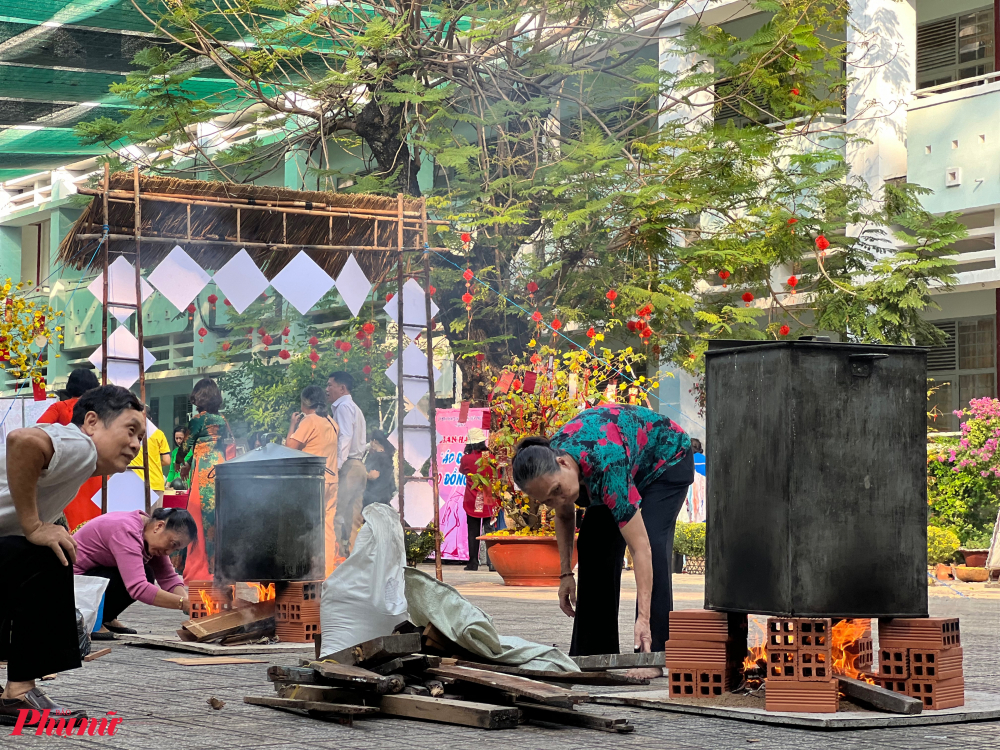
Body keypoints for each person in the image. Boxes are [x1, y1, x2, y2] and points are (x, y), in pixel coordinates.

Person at [513, 404, 693, 677]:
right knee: (593, 546)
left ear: (563, 463)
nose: (557, 502)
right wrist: (565, 574)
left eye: (557, 492)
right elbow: (564, 517)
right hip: (620, 463)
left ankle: (652, 653)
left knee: (653, 544)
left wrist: (643, 619)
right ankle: (594, 653)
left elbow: (640, 547)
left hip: (666, 460)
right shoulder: (557, 465)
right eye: (547, 500)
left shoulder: (606, 464)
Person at [0, 385, 144, 722]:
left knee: (46, 548)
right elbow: (22, 441)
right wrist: (36, 526)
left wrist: (44, 525)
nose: (137, 445)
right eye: (130, 430)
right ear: (92, 421)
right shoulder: (81, 446)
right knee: (49, 555)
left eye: (140, 437)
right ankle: (18, 694)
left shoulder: (74, 462)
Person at [73, 508, 195, 639]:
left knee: (146, 572)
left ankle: (106, 618)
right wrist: (183, 603)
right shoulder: (127, 531)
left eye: (175, 549)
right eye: (172, 544)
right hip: (71, 587)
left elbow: (168, 577)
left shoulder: (149, 533)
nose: (169, 552)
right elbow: (138, 588)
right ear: (159, 526)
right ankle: (91, 622)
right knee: (136, 577)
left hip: (90, 579)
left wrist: (189, 604)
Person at [36, 367, 102, 530]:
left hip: (69, 469)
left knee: (71, 511)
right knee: (97, 512)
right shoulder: (101, 411)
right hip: (97, 469)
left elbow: (38, 430)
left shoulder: (60, 407)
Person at [285, 385, 339, 576]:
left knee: (305, 526)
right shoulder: (331, 421)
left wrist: (292, 424)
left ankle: (305, 569)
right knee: (327, 528)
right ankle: (327, 571)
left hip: (312, 482)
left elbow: (290, 448)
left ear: (305, 403)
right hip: (332, 480)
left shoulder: (309, 421)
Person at [179, 378, 230, 583]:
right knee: (216, 517)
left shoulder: (198, 420)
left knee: (197, 517)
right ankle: (216, 566)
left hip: (203, 470)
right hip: (220, 467)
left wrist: (181, 462)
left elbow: (185, 447)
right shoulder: (222, 420)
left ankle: (199, 567)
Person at [326, 371, 367, 555]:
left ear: (342, 388)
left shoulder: (343, 407)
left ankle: (334, 559)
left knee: (335, 513)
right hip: (358, 466)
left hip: (348, 466)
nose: (327, 389)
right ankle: (354, 560)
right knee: (354, 518)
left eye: (330, 385)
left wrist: (337, 466)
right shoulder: (354, 408)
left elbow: (345, 438)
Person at [458, 427, 496, 571]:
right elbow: (492, 473)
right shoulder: (488, 457)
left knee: (473, 532)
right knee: (490, 530)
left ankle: (473, 562)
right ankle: (492, 563)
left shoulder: (466, 459)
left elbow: (462, 471)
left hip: (472, 499)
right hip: (487, 497)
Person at [129, 406, 172, 506]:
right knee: (153, 519)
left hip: (134, 483)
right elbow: (167, 460)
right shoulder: (158, 434)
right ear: (150, 419)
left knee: (135, 519)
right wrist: (153, 463)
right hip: (155, 482)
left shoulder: (130, 433)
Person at [363, 431, 396, 507]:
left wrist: (361, 473)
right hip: (385, 495)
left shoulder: (378, 457)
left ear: (374, 441)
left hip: (373, 497)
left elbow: (373, 475)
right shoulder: (388, 455)